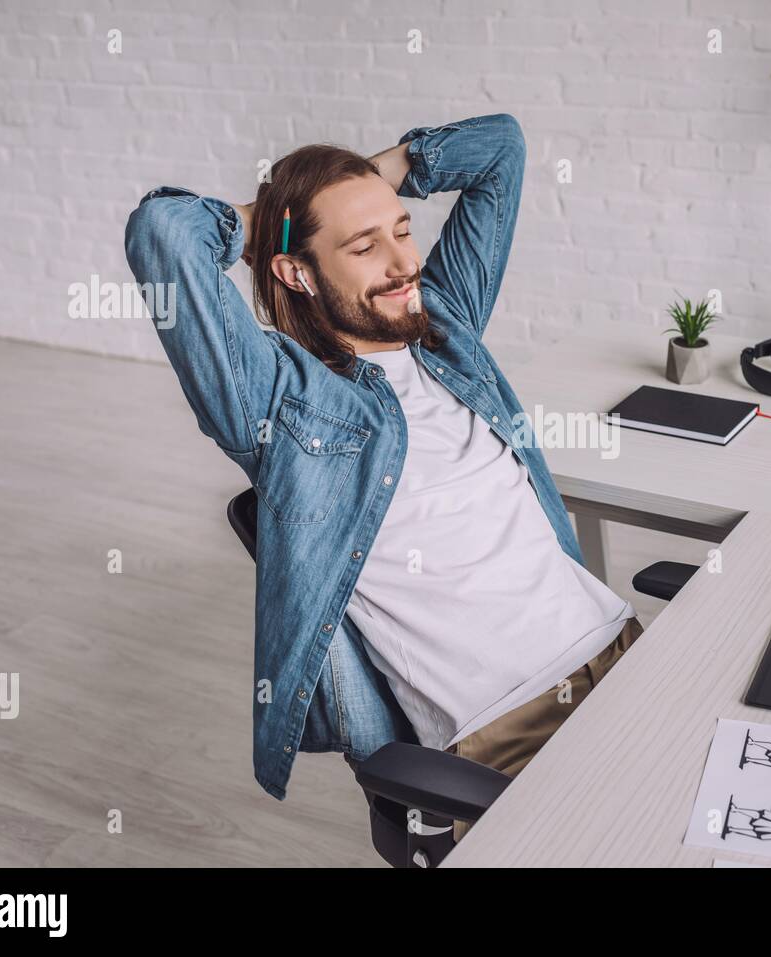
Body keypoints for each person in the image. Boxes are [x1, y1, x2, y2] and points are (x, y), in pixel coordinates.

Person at [124, 115, 642, 840]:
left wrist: (376, 180)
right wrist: (274, 216)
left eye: (403, 230)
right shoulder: (281, 403)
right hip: (507, 738)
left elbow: (501, 148)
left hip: (625, 653)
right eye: (365, 246)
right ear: (295, 270)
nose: (403, 262)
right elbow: (162, 233)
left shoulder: (445, 327)